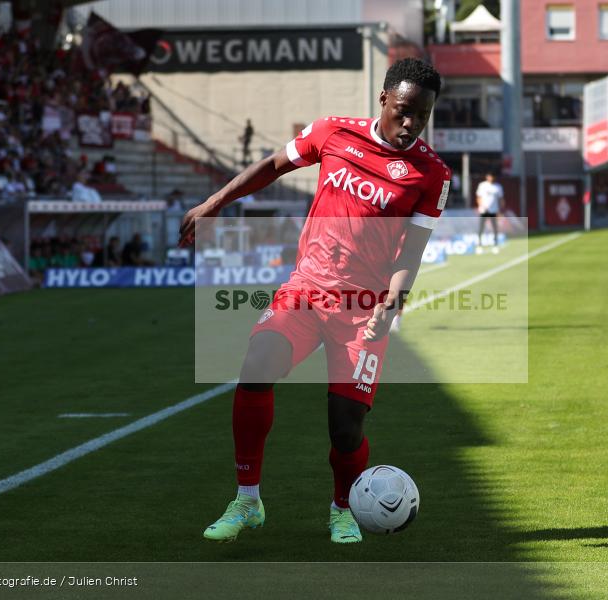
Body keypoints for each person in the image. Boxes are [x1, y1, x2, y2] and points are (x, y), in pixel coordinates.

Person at [179, 58, 450, 544]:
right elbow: (272, 167)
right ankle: (247, 501)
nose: (410, 124)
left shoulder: (431, 173)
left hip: (363, 309)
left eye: (422, 116)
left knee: (345, 429)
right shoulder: (332, 132)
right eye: (404, 111)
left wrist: (393, 303)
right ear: (384, 99)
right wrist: (214, 202)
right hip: (306, 289)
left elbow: (411, 250)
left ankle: (343, 509)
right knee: (257, 365)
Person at [475, 172, 502, 253]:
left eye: (492, 176)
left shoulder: (498, 187)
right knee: (481, 228)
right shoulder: (482, 185)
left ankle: (495, 245)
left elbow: (500, 199)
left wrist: (500, 210)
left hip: (494, 210)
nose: (490, 178)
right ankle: (479, 246)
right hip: (484, 210)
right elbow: (478, 197)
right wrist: (481, 206)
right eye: (489, 176)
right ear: (487, 177)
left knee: (495, 228)